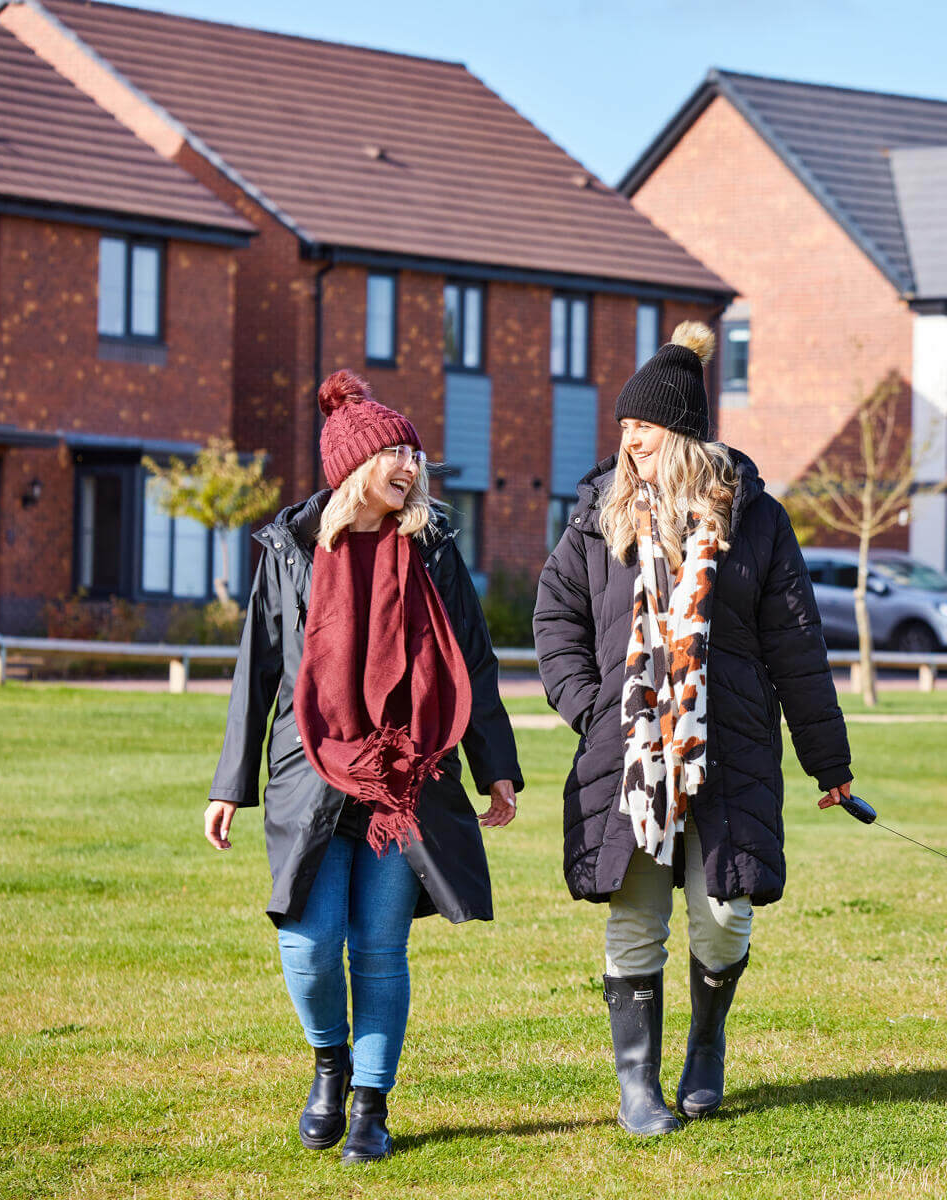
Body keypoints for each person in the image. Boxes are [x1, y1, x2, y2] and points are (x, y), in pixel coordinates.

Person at [533, 321, 853, 1136]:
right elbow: (555, 619)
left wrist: (830, 763)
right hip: (629, 754)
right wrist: (589, 706)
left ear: (679, 432)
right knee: (635, 914)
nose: (629, 440)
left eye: (643, 427)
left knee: (723, 915)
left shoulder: (755, 521)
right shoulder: (597, 521)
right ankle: (637, 1088)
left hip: (729, 749)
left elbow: (798, 647)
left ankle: (705, 1045)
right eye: (624, 428)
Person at [204, 370, 522, 1163]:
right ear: (354, 463)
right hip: (311, 774)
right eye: (395, 453)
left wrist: (497, 767)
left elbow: (471, 666)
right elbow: (260, 668)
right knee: (309, 945)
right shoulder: (292, 551)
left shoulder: (435, 552)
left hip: (406, 779)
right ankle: (329, 1065)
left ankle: (371, 1107)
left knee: (380, 950)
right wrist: (229, 786)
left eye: (415, 454)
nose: (411, 467)